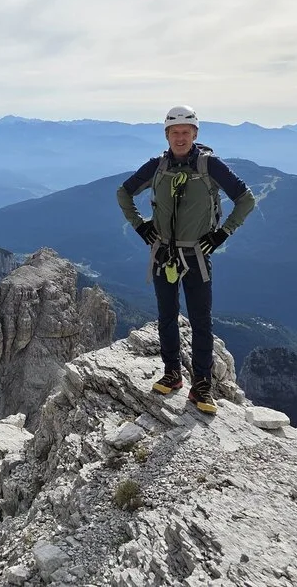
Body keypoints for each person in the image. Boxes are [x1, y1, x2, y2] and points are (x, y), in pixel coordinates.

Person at [116, 105, 255, 414]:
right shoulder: (157, 166)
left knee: (200, 319)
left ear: (195, 134)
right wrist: (142, 227)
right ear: (167, 136)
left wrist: (222, 234)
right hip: (163, 253)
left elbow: (246, 199)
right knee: (167, 315)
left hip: (197, 254)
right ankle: (172, 373)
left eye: (185, 132)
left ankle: (202, 385)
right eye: (174, 132)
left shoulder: (211, 166)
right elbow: (123, 193)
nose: (180, 138)